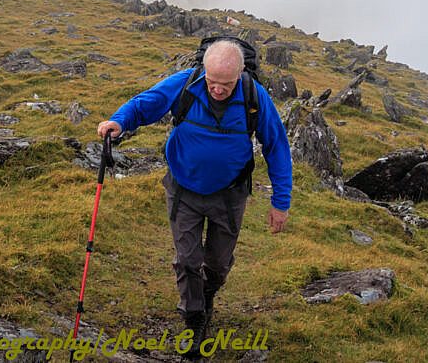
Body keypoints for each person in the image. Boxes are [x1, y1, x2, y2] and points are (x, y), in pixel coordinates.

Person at [97, 39, 292, 358]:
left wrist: (280, 202)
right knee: (188, 259)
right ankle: (195, 317)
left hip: (229, 195)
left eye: (226, 84)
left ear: (240, 74)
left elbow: (277, 148)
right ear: (204, 71)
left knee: (216, 265)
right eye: (213, 82)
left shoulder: (256, 97)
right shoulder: (186, 83)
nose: (217, 89)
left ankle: (207, 295)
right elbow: (147, 104)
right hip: (183, 189)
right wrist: (119, 121)